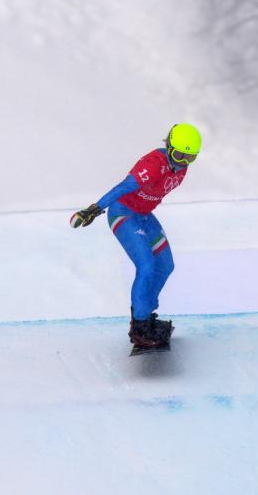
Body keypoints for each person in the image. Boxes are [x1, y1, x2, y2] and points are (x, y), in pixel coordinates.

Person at [70, 123, 202, 348]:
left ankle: (147, 315)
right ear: (169, 146)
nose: (182, 162)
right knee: (147, 266)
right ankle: (139, 327)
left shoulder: (181, 167)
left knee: (166, 265)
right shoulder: (153, 164)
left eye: (189, 157)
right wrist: (94, 208)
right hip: (123, 214)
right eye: (179, 154)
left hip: (143, 215)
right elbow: (124, 187)